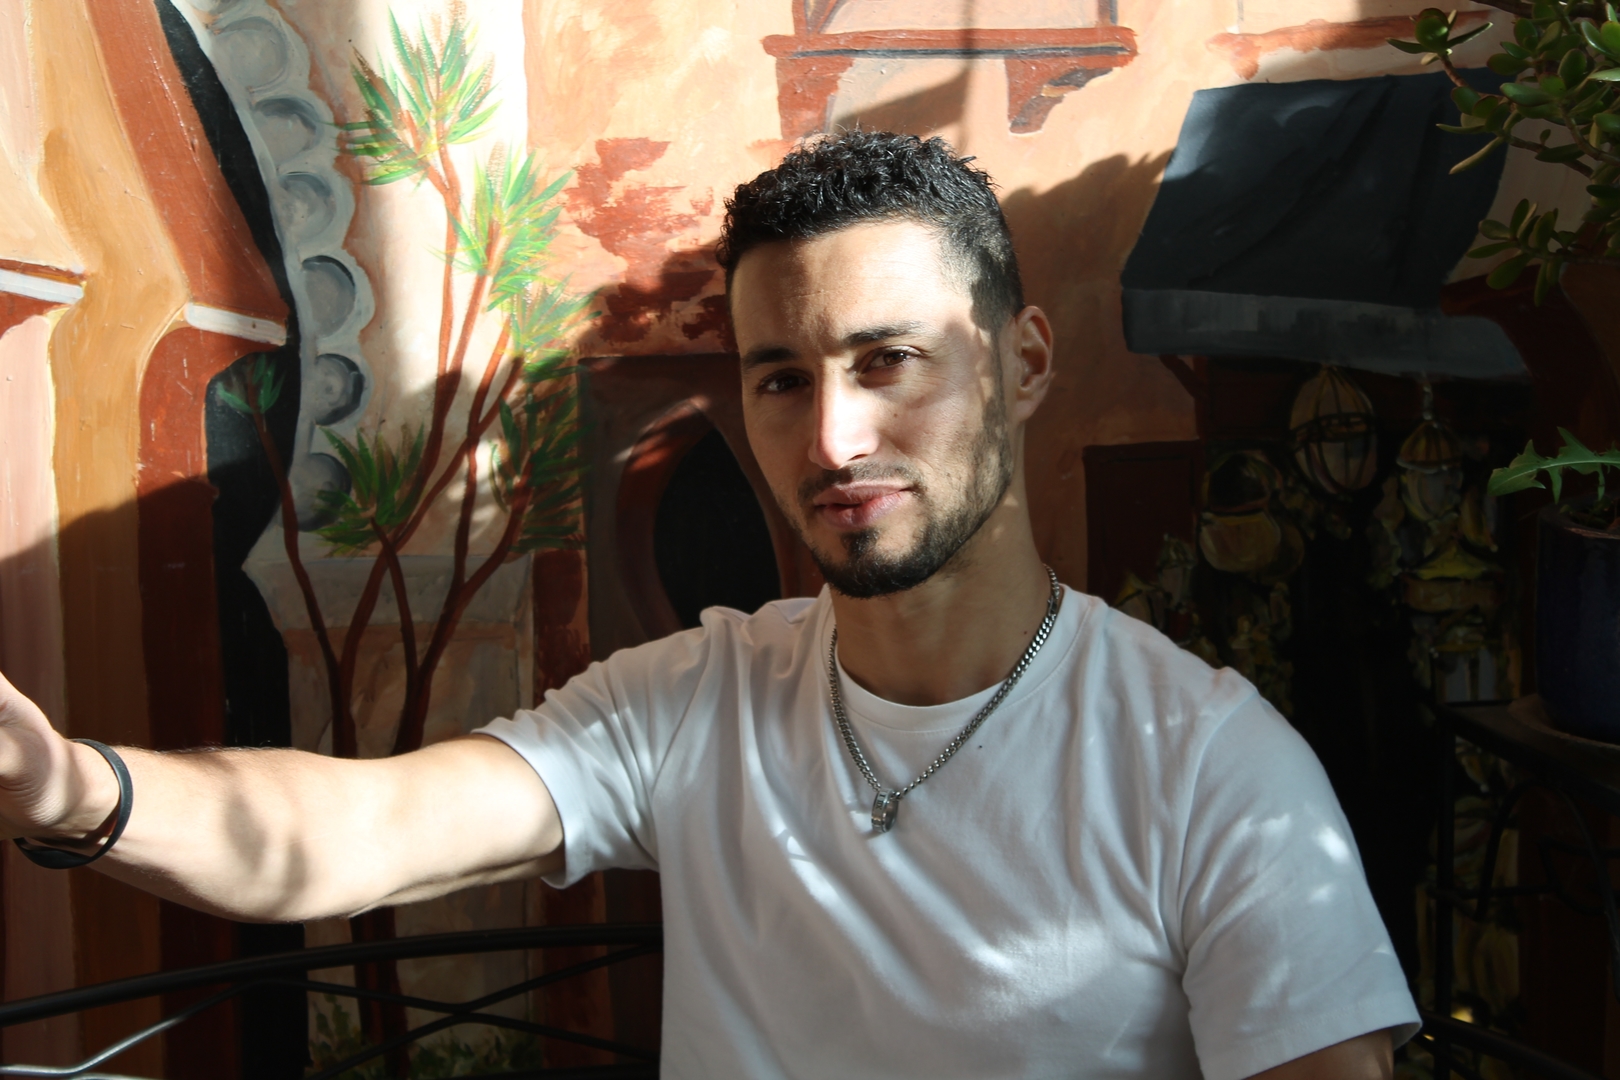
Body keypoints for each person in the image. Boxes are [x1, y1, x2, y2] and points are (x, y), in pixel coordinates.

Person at [0, 131, 1417, 1078]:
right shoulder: (701, 696)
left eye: (889, 362)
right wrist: (63, 784)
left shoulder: (1210, 768)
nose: (834, 439)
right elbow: (352, 834)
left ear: (1023, 362)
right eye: (783, 378)